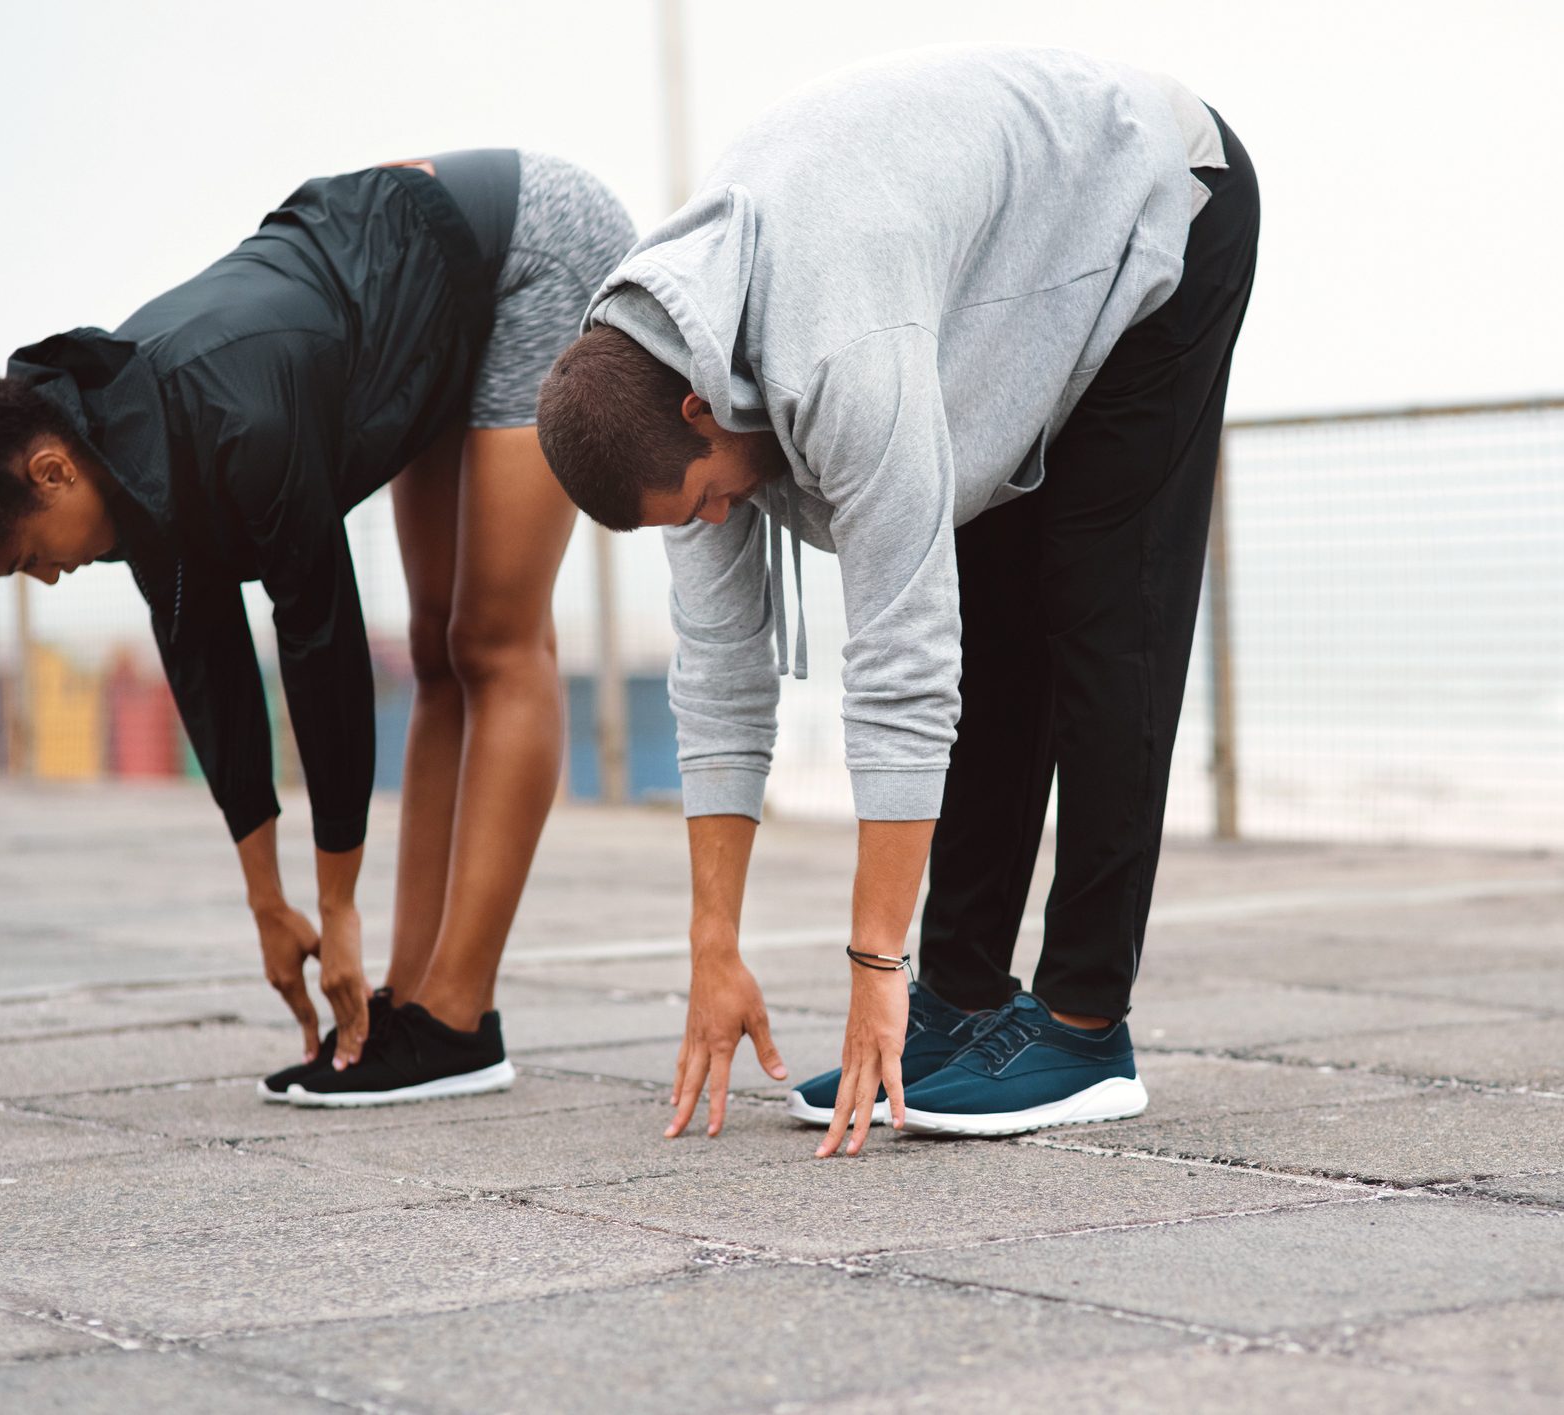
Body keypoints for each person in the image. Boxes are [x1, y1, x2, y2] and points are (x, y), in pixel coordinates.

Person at [535, 45, 1259, 1154]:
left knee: (1102, 608)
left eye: (702, 502)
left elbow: (902, 663)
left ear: (698, 411)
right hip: (994, 284)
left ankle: (1081, 1027)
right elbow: (721, 674)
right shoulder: (644, 377)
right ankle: (959, 1005)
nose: (714, 523)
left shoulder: (836, 351)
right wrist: (711, 946)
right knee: (1002, 615)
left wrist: (871, 963)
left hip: (1152, 201)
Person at [0, 150, 635, 1106]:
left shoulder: (231, 416)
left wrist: (336, 903)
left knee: (490, 640)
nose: (45, 575)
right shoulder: (116, 445)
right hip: (414, 281)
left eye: (27, 556)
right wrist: (269, 901)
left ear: (48, 473)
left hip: (526, 252)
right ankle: (410, 1003)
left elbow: (318, 640)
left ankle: (458, 1019)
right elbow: (205, 658)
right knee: (433, 650)